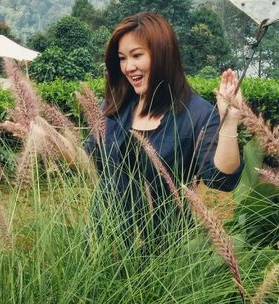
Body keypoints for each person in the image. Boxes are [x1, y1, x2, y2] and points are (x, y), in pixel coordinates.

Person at [85, 12, 244, 245]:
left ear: (162, 55)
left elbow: (221, 180)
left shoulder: (197, 114)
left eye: (137, 55)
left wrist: (229, 122)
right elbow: (88, 157)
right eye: (122, 58)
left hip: (165, 254)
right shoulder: (113, 107)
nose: (128, 67)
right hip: (103, 244)